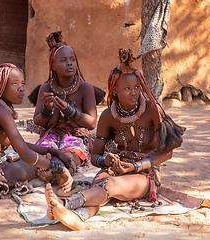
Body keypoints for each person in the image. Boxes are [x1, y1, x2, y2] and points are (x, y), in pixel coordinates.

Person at [44, 49, 186, 230]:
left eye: (137, 88)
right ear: (115, 90)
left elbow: (168, 153)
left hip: (145, 172)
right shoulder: (107, 116)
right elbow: (94, 156)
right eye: (127, 88)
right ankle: (77, 218)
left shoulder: (151, 109)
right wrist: (106, 160)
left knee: (109, 186)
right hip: (116, 167)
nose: (134, 93)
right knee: (101, 187)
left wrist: (137, 166)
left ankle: (64, 205)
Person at [0, 63, 73, 198]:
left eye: (22, 83)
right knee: (51, 162)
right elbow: (26, 154)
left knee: (48, 157)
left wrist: (52, 150)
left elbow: (19, 143)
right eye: (15, 84)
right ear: (0, 87)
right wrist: (58, 167)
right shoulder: (2, 113)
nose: (21, 89)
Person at [27, 31, 97, 185]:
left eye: (72, 59)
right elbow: (38, 122)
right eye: (64, 60)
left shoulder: (85, 87)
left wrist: (69, 111)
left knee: (70, 154)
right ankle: (51, 167)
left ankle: (60, 169)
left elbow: (91, 123)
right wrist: (47, 109)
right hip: (51, 135)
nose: (70, 63)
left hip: (76, 136)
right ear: (53, 66)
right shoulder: (45, 88)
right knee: (39, 153)